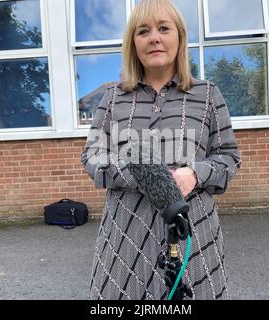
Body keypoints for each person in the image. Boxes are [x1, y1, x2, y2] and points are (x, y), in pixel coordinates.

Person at [80, 0, 241, 300]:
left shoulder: (207, 95)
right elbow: (92, 156)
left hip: (194, 234)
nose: (154, 37)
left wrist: (194, 174)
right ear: (133, 43)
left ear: (178, 37)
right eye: (143, 31)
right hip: (124, 239)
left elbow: (229, 158)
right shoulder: (113, 98)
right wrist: (144, 174)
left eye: (163, 28)